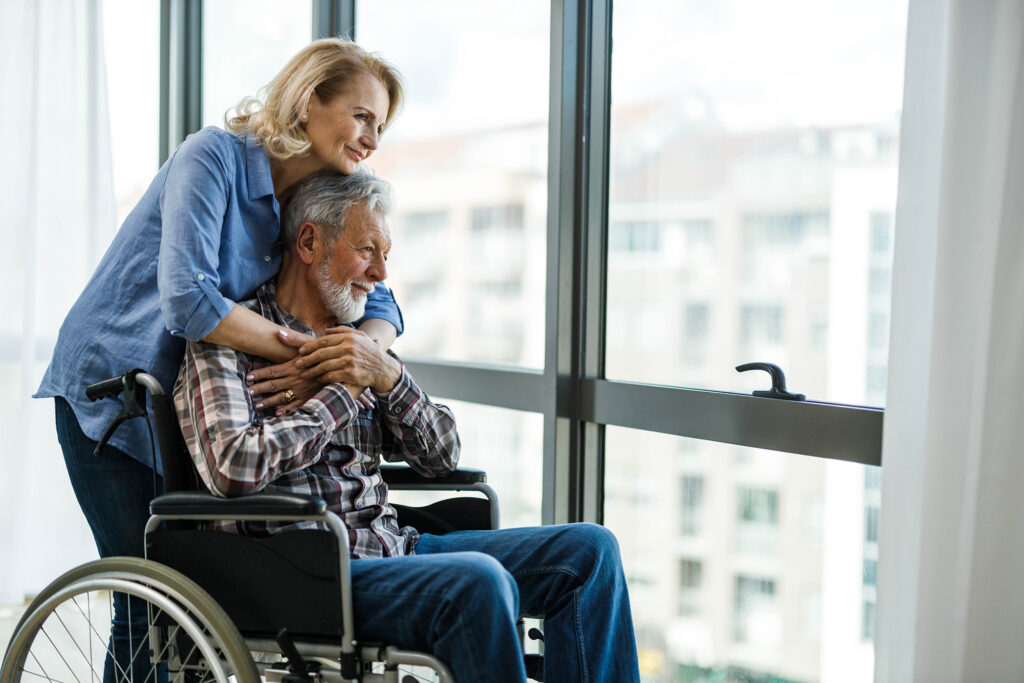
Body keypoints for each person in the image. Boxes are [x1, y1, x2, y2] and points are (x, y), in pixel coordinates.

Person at [173, 170, 642, 682]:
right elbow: (231, 467)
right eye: (368, 249)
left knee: (591, 553)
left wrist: (388, 374)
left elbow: (443, 456)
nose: (380, 274)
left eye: (386, 254)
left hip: (396, 547)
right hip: (306, 572)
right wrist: (341, 393)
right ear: (309, 242)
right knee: (479, 584)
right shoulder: (226, 339)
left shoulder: (360, 341)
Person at [34, 38, 406, 683]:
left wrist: (350, 352)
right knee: (149, 597)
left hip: (189, 405)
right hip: (113, 395)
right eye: (362, 116)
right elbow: (186, 300)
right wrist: (309, 355)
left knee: (199, 605)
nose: (372, 138)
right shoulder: (214, 158)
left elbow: (384, 303)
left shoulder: (315, 195)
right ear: (307, 99)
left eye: (381, 125)